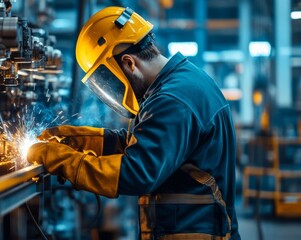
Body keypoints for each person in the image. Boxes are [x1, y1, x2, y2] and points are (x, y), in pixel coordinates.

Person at [27, 6, 240, 240]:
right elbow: (152, 148)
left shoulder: (171, 100)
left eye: (108, 79)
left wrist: (64, 160)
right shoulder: (182, 82)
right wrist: (84, 141)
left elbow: (137, 173)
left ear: (129, 63)